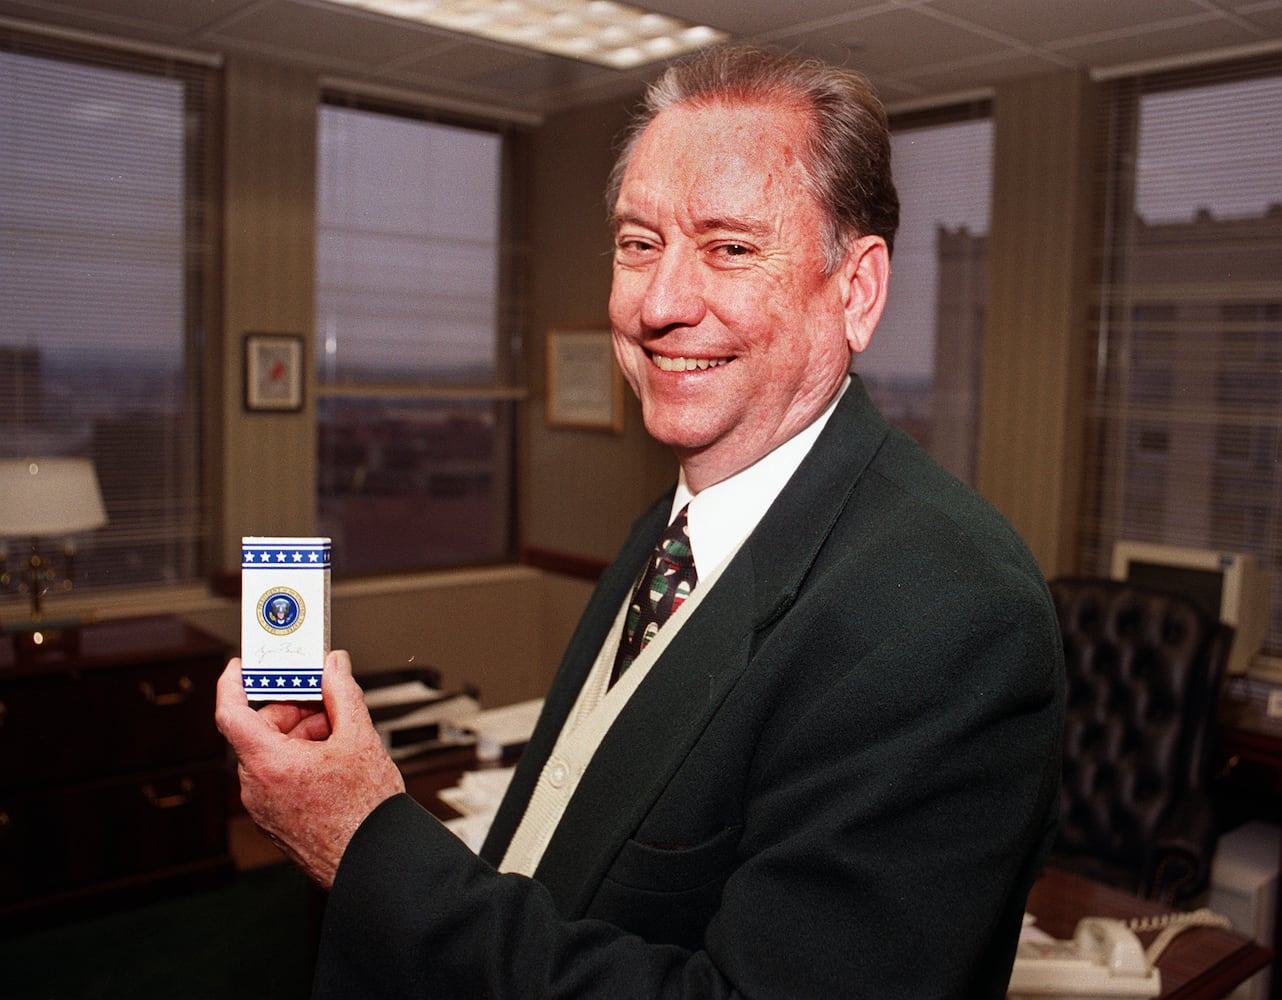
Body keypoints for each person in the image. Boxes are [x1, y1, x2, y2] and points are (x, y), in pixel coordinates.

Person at [216, 45, 1065, 998]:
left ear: (856, 292)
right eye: (638, 242)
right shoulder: (668, 531)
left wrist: (367, 846)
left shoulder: (951, 619)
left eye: (730, 246)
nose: (659, 303)